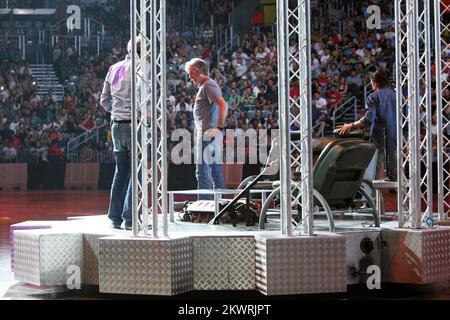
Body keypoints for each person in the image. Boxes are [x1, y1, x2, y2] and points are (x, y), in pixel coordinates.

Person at [100, 39, 140, 230]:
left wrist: (117, 112)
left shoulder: (113, 68)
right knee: (135, 173)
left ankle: (115, 217)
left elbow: (104, 100)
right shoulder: (144, 68)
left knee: (120, 171)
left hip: (116, 126)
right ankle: (130, 218)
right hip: (134, 126)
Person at [337, 69, 397, 180]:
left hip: (379, 136)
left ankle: (370, 193)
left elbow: (369, 119)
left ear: (375, 83)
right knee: (395, 166)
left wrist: (351, 125)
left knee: (373, 167)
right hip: (395, 134)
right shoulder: (395, 95)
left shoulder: (373, 97)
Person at [185, 58, 228, 199]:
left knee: (203, 172)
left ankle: (204, 211)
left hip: (207, 135)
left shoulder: (208, 86)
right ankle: (219, 208)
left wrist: (219, 127)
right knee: (215, 171)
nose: (189, 77)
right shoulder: (206, 86)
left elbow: (223, 105)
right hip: (210, 134)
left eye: (191, 73)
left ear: (200, 71)